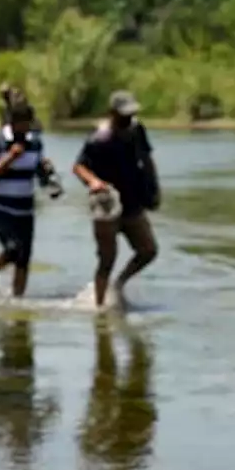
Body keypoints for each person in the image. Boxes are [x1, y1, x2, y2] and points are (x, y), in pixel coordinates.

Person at [72, 90, 161, 309]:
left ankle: (119, 283)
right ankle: (100, 309)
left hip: (133, 201)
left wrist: (154, 189)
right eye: (123, 115)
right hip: (107, 204)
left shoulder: (137, 130)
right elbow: (78, 167)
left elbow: (147, 159)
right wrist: (93, 181)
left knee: (148, 250)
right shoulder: (98, 139)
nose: (128, 119)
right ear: (112, 113)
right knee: (107, 260)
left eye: (131, 114)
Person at [0, 100, 46, 297]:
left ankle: (18, 300)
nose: (25, 129)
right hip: (0, 206)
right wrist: (10, 157)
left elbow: (39, 172)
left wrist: (46, 173)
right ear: (12, 122)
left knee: (24, 258)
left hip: (25, 208)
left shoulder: (35, 143)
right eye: (21, 124)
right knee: (12, 249)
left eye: (28, 124)